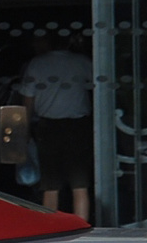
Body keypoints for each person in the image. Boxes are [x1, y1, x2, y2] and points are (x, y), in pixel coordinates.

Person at [16, 30, 94, 219]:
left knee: (50, 186)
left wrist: (24, 131)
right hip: (78, 127)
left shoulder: (37, 65)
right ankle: (82, 227)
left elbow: (27, 101)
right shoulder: (82, 62)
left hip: (48, 128)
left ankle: (51, 226)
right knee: (80, 186)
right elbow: (97, 90)